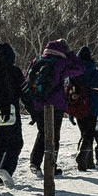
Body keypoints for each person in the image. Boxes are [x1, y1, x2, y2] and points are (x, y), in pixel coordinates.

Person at [25, 39, 72, 178]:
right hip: (55, 104)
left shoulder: (37, 60)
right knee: (54, 136)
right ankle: (51, 166)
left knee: (42, 132)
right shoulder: (61, 62)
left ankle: (35, 162)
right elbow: (80, 68)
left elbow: (28, 78)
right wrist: (70, 53)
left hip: (38, 103)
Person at [0, 41, 25, 188]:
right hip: (11, 111)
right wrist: (33, 110)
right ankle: (6, 168)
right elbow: (25, 92)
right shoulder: (15, 71)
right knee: (16, 142)